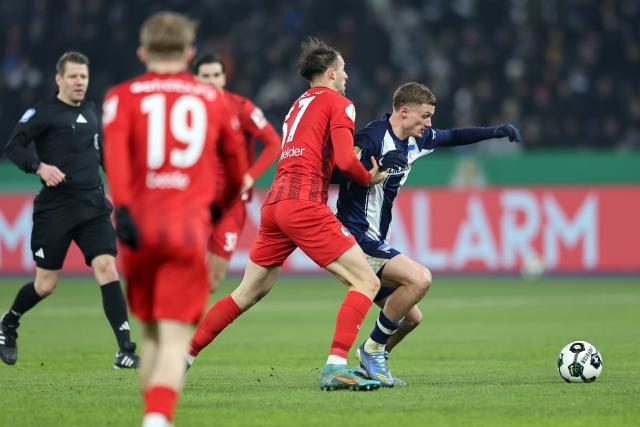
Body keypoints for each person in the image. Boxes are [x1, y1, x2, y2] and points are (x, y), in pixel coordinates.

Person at [185, 37, 397, 391]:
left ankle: (184, 355)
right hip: (304, 205)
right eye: (343, 70)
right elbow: (346, 161)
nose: (346, 76)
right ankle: (335, 367)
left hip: (274, 205)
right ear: (331, 72)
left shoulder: (296, 105)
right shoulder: (340, 103)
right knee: (367, 281)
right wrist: (368, 176)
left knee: (248, 291)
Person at [102, 12, 247, 427]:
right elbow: (237, 172)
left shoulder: (120, 97)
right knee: (174, 337)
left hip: (136, 231)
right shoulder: (212, 99)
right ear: (187, 53)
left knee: (149, 333)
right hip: (186, 229)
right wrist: (216, 209)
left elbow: (114, 162)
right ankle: (157, 419)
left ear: (143, 52)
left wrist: (125, 210)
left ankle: (152, 414)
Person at [335, 81, 522, 387]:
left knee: (410, 318)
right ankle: (372, 350)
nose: (429, 123)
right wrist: (370, 173)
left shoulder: (416, 140)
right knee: (420, 278)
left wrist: (495, 131)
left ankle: (370, 363)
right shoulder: (372, 138)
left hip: (375, 240)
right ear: (404, 111)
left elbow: (453, 136)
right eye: (425, 116)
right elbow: (333, 170)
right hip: (354, 237)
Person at [0, 51, 139, 369]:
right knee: (45, 285)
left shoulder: (92, 111)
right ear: (59, 79)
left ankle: (125, 349)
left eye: (84, 77)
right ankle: (8, 323)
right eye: (74, 76)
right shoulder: (43, 111)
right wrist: (38, 166)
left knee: (107, 268)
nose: (80, 82)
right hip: (56, 208)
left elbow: (102, 155)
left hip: (92, 205)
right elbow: (13, 146)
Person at [191, 53, 281, 293]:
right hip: (195, 200)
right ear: (195, 79)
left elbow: (274, 143)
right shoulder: (185, 111)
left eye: (216, 75)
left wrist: (251, 176)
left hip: (231, 203)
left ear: (224, 78)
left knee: (213, 279)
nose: (211, 80)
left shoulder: (241, 108)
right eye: (205, 76)